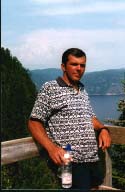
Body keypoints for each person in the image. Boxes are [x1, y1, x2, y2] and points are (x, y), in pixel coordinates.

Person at [28, 48, 111, 189]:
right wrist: (51, 148)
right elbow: (34, 122)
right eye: (74, 64)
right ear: (63, 67)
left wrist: (103, 129)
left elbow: (90, 117)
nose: (79, 69)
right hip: (70, 163)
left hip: (92, 160)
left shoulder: (82, 90)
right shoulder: (50, 88)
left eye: (82, 65)